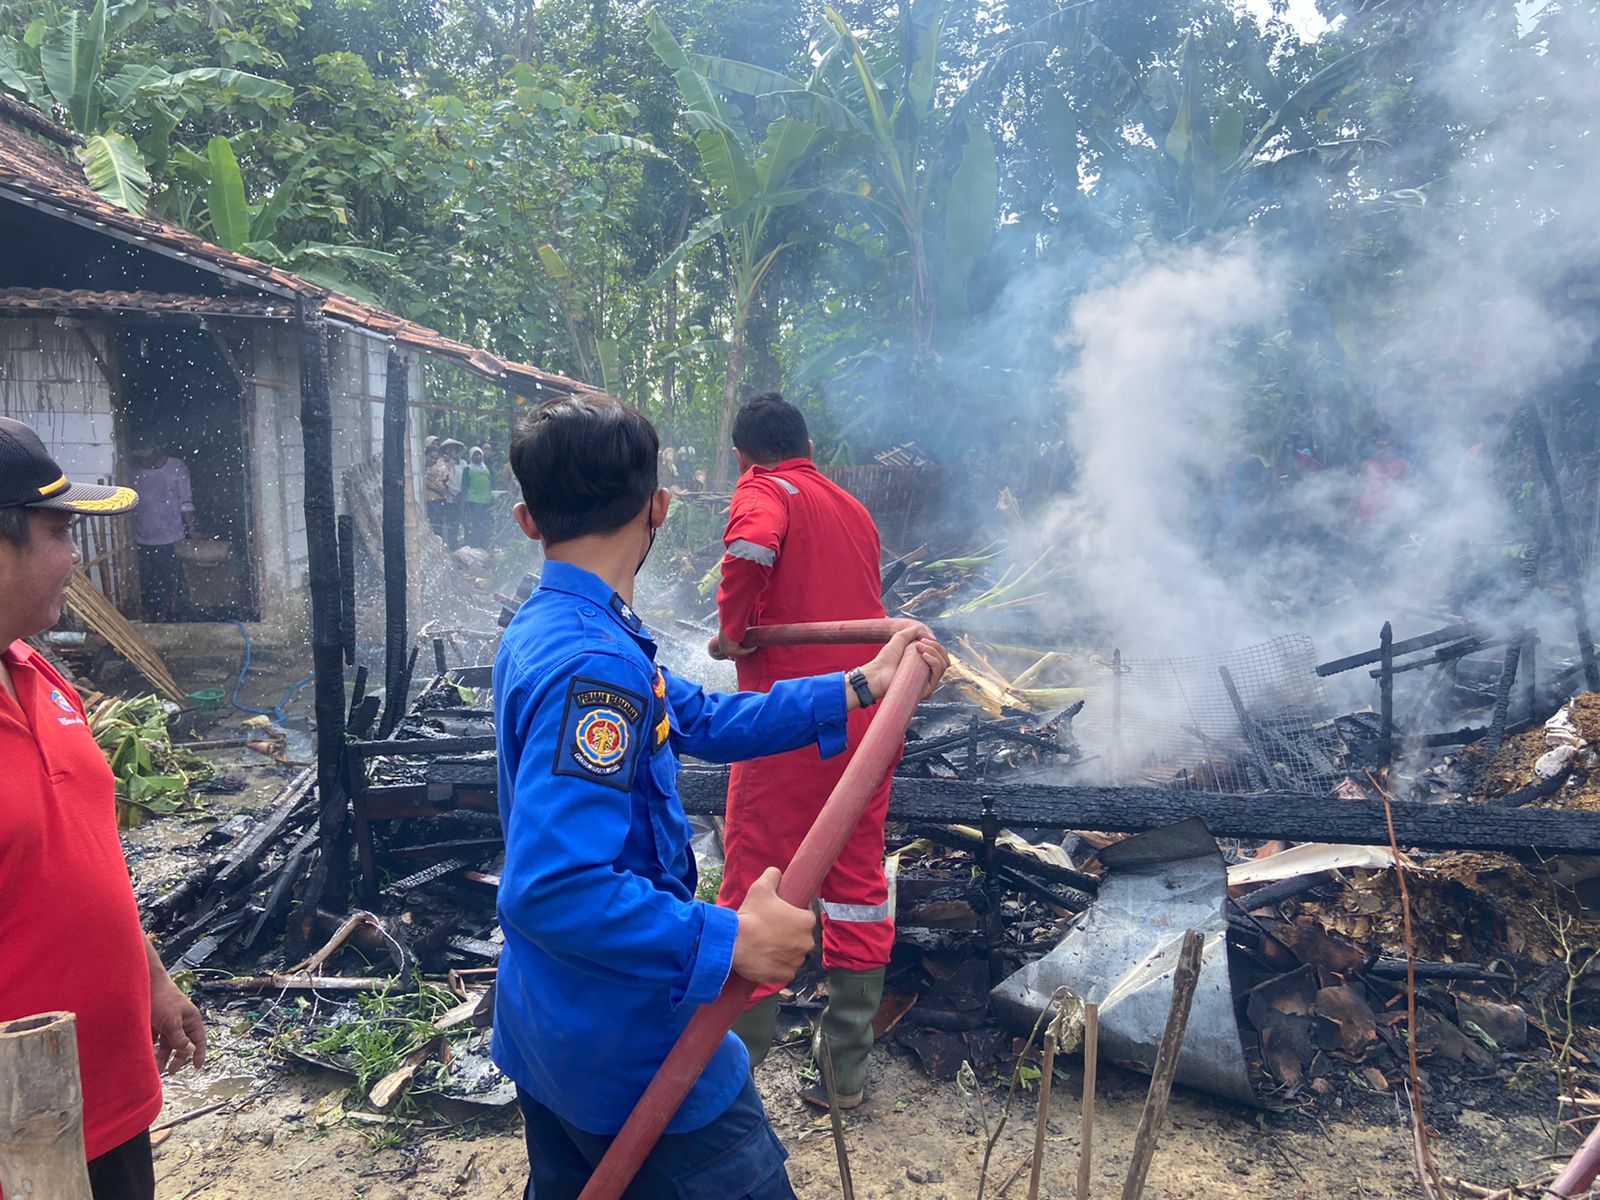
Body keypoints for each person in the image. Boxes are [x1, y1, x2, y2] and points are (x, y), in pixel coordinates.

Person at [494, 395, 946, 1199]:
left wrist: (854, 686)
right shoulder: (595, 669)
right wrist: (727, 938)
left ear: (530, 521)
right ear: (659, 508)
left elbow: (700, 717)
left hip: (549, 1031)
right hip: (636, 1051)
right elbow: (555, 890)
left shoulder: (561, 629)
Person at [0, 416, 206, 1200]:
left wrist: (151, 978)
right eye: (60, 532)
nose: (75, 557)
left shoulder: (40, 676)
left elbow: (87, 855)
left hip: (107, 1101)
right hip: (17, 1134)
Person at [706, 392, 895, 1109]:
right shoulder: (853, 508)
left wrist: (735, 630)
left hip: (789, 725)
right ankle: (845, 1069)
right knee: (856, 887)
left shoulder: (765, 489)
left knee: (757, 879)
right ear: (808, 444)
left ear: (742, 455)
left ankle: (731, 1074)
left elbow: (752, 546)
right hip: (865, 724)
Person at [129, 439, 197, 621]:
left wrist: (193, 530)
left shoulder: (176, 467)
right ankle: (151, 615)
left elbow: (185, 502)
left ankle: (168, 614)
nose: (144, 462)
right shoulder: (133, 471)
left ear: (157, 451)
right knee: (147, 581)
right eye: (140, 459)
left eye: (146, 457)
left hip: (170, 536)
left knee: (168, 580)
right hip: (141, 536)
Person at [463, 446, 495, 549]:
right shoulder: (467, 469)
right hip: (474, 501)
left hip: (487, 500)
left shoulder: (487, 468)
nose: (478, 456)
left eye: (479, 454)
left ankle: (485, 546)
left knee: (487, 525)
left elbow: (493, 482)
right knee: (476, 524)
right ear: (471, 456)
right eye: (475, 455)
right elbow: (464, 486)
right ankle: (476, 546)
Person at [425, 444, 451, 540]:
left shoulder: (439, 469)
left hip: (438, 501)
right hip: (428, 501)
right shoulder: (420, 469)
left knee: (438, 527)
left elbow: (445, 483)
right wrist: (437, 488)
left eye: (436, 459)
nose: (433, 461)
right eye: (431, 457)